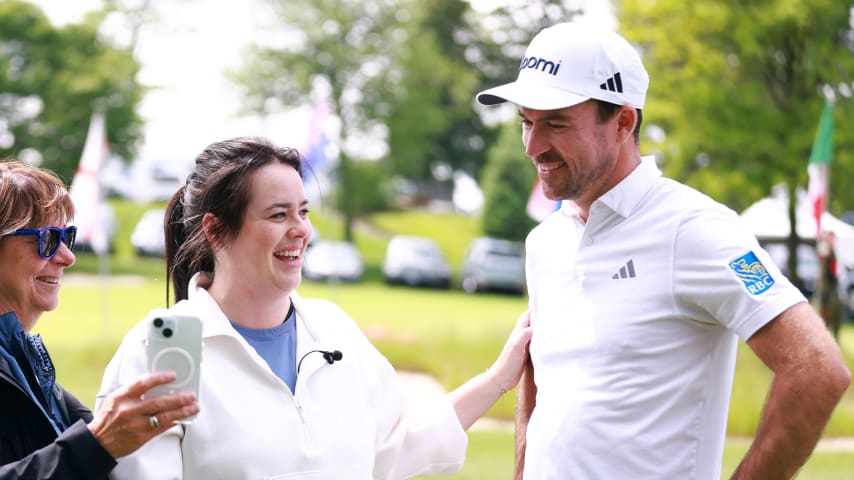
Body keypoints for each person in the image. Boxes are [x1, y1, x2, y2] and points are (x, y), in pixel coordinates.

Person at [475, 22, 851, 480]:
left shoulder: (696, 231)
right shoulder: (546, 240)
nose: (533, 146)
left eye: (555, 123)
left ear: (623, 122)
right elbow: (540, 377)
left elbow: (817, 369)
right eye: (526, 122)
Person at [96, 136, 532, 479]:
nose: (301, 230)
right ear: (215, 229)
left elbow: (395, 448)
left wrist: (498, 379)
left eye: (302, 212)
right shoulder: (160, 353)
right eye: (278, 215)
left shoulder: (334, 329)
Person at [0, 160, 200, 479]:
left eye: (68, 236)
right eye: (48, 240)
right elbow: (94, 443)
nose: (68, 256)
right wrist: (99, 442)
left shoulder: (20, 357)